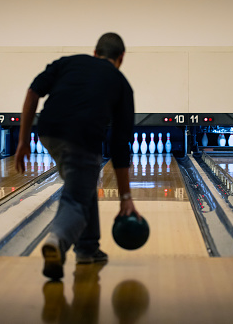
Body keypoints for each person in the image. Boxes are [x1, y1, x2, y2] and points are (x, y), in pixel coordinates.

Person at [15, 32, 140, 279]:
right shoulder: (120, 83)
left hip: (48, 130)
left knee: (83, 185)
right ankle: (57, 241)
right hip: (82, 138)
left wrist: (22, 140)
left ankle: (87, 248)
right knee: (76, 200)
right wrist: (125, 197)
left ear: (95, 52)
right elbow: (119, 143)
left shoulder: (69, 62)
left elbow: (33, 92)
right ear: (121, 58)